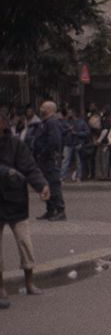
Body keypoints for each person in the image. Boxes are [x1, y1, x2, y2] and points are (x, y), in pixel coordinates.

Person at [0, 110, 51, 309]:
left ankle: (29, 281)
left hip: (16, 201)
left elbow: (30, 167)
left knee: (25, 243)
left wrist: (41, 185)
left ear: (4, 124)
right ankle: (1, 287)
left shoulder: (16, 145)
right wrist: (6, 171)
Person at [30, 101, 65, 221]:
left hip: (50, 158)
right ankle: (50, 210)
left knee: (53, 184)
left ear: (50, 109)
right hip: (43, 159)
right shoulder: (44, 122)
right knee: (45, 184)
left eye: (43, 107)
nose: (41, 109)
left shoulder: (52, 122)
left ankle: (60, 210)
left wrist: (43, 152)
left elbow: (54, 141)